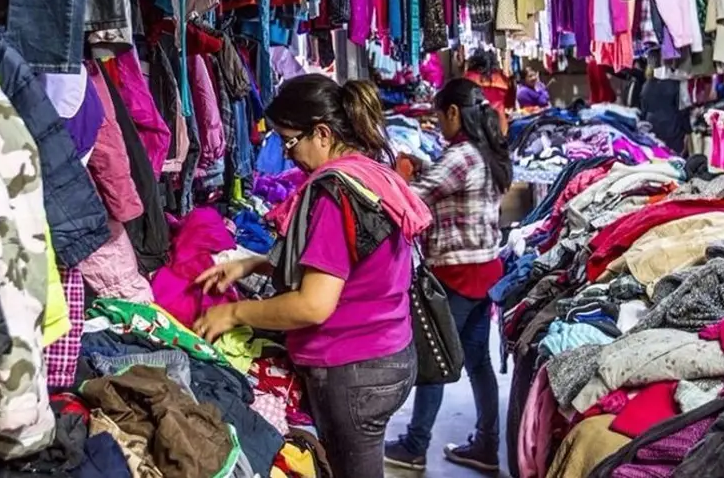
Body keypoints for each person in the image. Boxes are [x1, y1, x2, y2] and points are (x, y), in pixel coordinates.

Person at [192, 74, 432, 478]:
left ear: (321, 133)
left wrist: (234, 315)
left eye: (289, 141)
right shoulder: (371, 173)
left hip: (356, 368)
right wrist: (254, 263)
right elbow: (348, 262)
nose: (288, 156)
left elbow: (313, 305)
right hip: (390, 353)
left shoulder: (332, 193)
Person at [385, 78, 513, 474]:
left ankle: (415, 444)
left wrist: (397, 176)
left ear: (454, 113)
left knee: (434, 358)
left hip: (460, 274)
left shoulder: (461, 156)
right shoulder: (484, 152)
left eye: (440, 116)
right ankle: (487, 445)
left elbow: (413, 197)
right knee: (476, 360)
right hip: (486, 268)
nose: (438, 124)